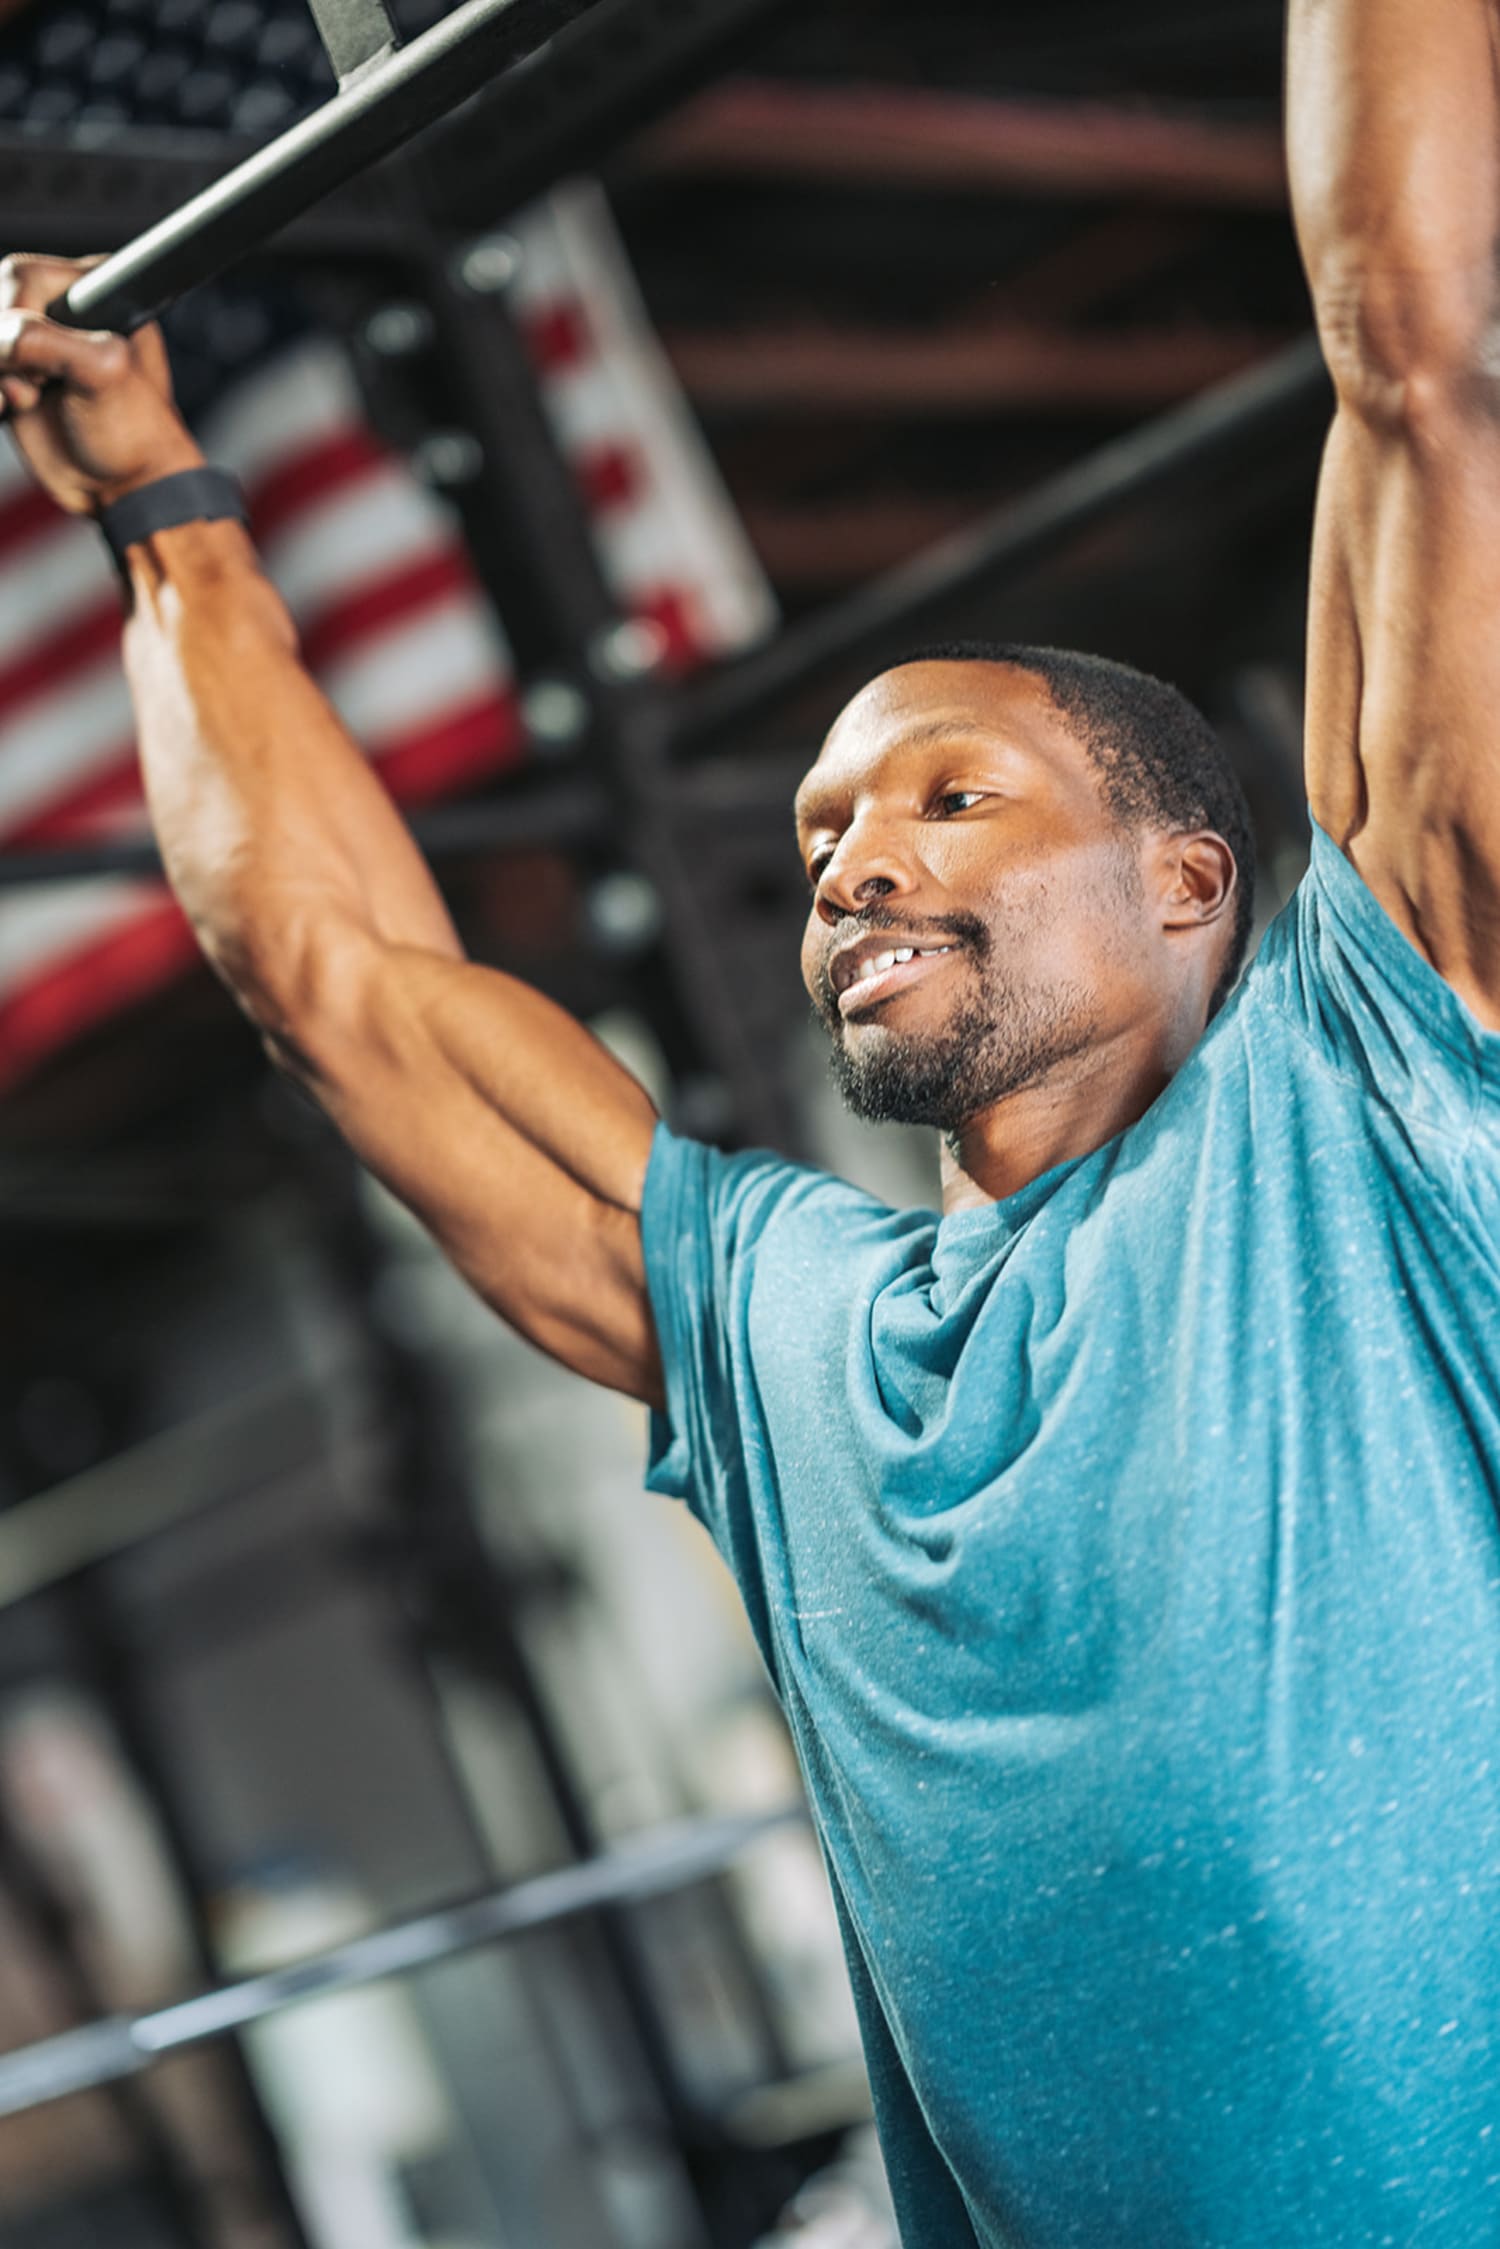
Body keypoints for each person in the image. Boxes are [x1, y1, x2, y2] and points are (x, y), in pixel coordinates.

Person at [3, 0, 1500, 2233]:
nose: (853, 860)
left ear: (1196, 881)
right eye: (820, 832)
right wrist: (165, 515)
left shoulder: (1364, 1102)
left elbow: (1425, 372)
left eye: (950, 794)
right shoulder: (799, 1337)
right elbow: (348, 992)